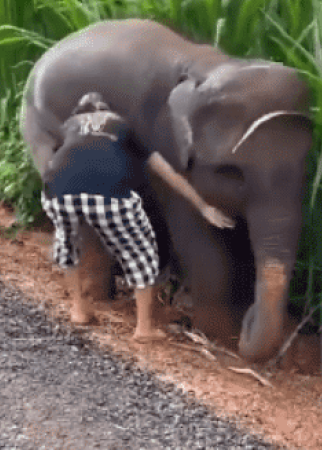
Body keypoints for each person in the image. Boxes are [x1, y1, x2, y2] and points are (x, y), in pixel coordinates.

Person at [41, 92, 234, 342]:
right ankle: (144, 329)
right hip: (108, 194)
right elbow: (165, 171)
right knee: (141, 254)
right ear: (107, 110)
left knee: (67, 244)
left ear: (81, 113)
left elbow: (55, 161)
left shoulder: (70, 126)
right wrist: (203, 206)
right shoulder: (124, 126)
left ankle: (78, 310)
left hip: (57, 192)